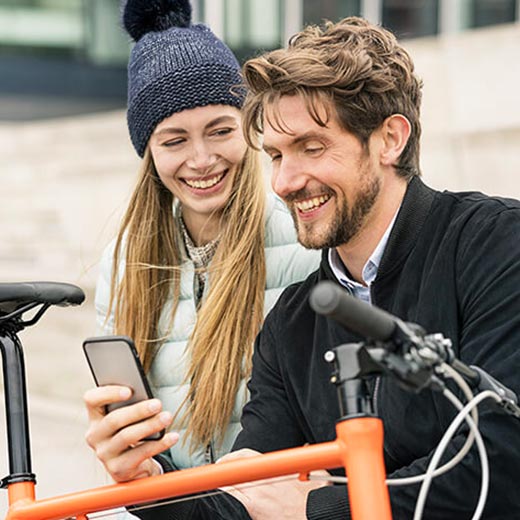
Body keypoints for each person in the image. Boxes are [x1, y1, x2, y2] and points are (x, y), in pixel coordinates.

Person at [130, 15, 520, 520]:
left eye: (311, 148)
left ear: (390, 139)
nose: (286, 181)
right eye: (274, 155)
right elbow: (249, 502)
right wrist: (151, 484)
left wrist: (324, 506)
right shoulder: (292, 320)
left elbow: (503, 459)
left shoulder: (495, 245)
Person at [83, 0, 319, 487]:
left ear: (248, 129)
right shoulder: (123, 264)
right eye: (173, 141)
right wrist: (128, 458)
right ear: (147, 152)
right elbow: (133, 443)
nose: (202, 159)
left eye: (220, 130)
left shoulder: (306, 239)